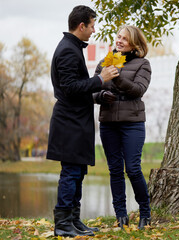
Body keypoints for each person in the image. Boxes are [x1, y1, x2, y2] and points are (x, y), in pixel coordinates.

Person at [46, 5, 119, 237]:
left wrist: (97, 96)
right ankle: (63, 224)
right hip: (69, 123)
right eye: (92, 25)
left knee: (77, 172)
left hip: (76, 121)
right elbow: (68, 88)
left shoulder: (72, 47)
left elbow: (77, 89)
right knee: (70, 173)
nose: (93, 30)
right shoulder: (68, 49)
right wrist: (100, 79)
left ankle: (74, 222)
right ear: (81, 26)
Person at [93, 25, 151, 230]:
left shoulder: (143, 64)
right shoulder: (105, 62)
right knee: (115, 170)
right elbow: (92, 90)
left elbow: (138, 90)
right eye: (118, 37)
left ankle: (145, 212)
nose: (119, 41)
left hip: (132, 123)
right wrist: (100, 96)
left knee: (133, 169)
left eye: (124, 39)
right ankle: (121, 215)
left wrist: (116, 78)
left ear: (134, 44)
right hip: (108, 123)